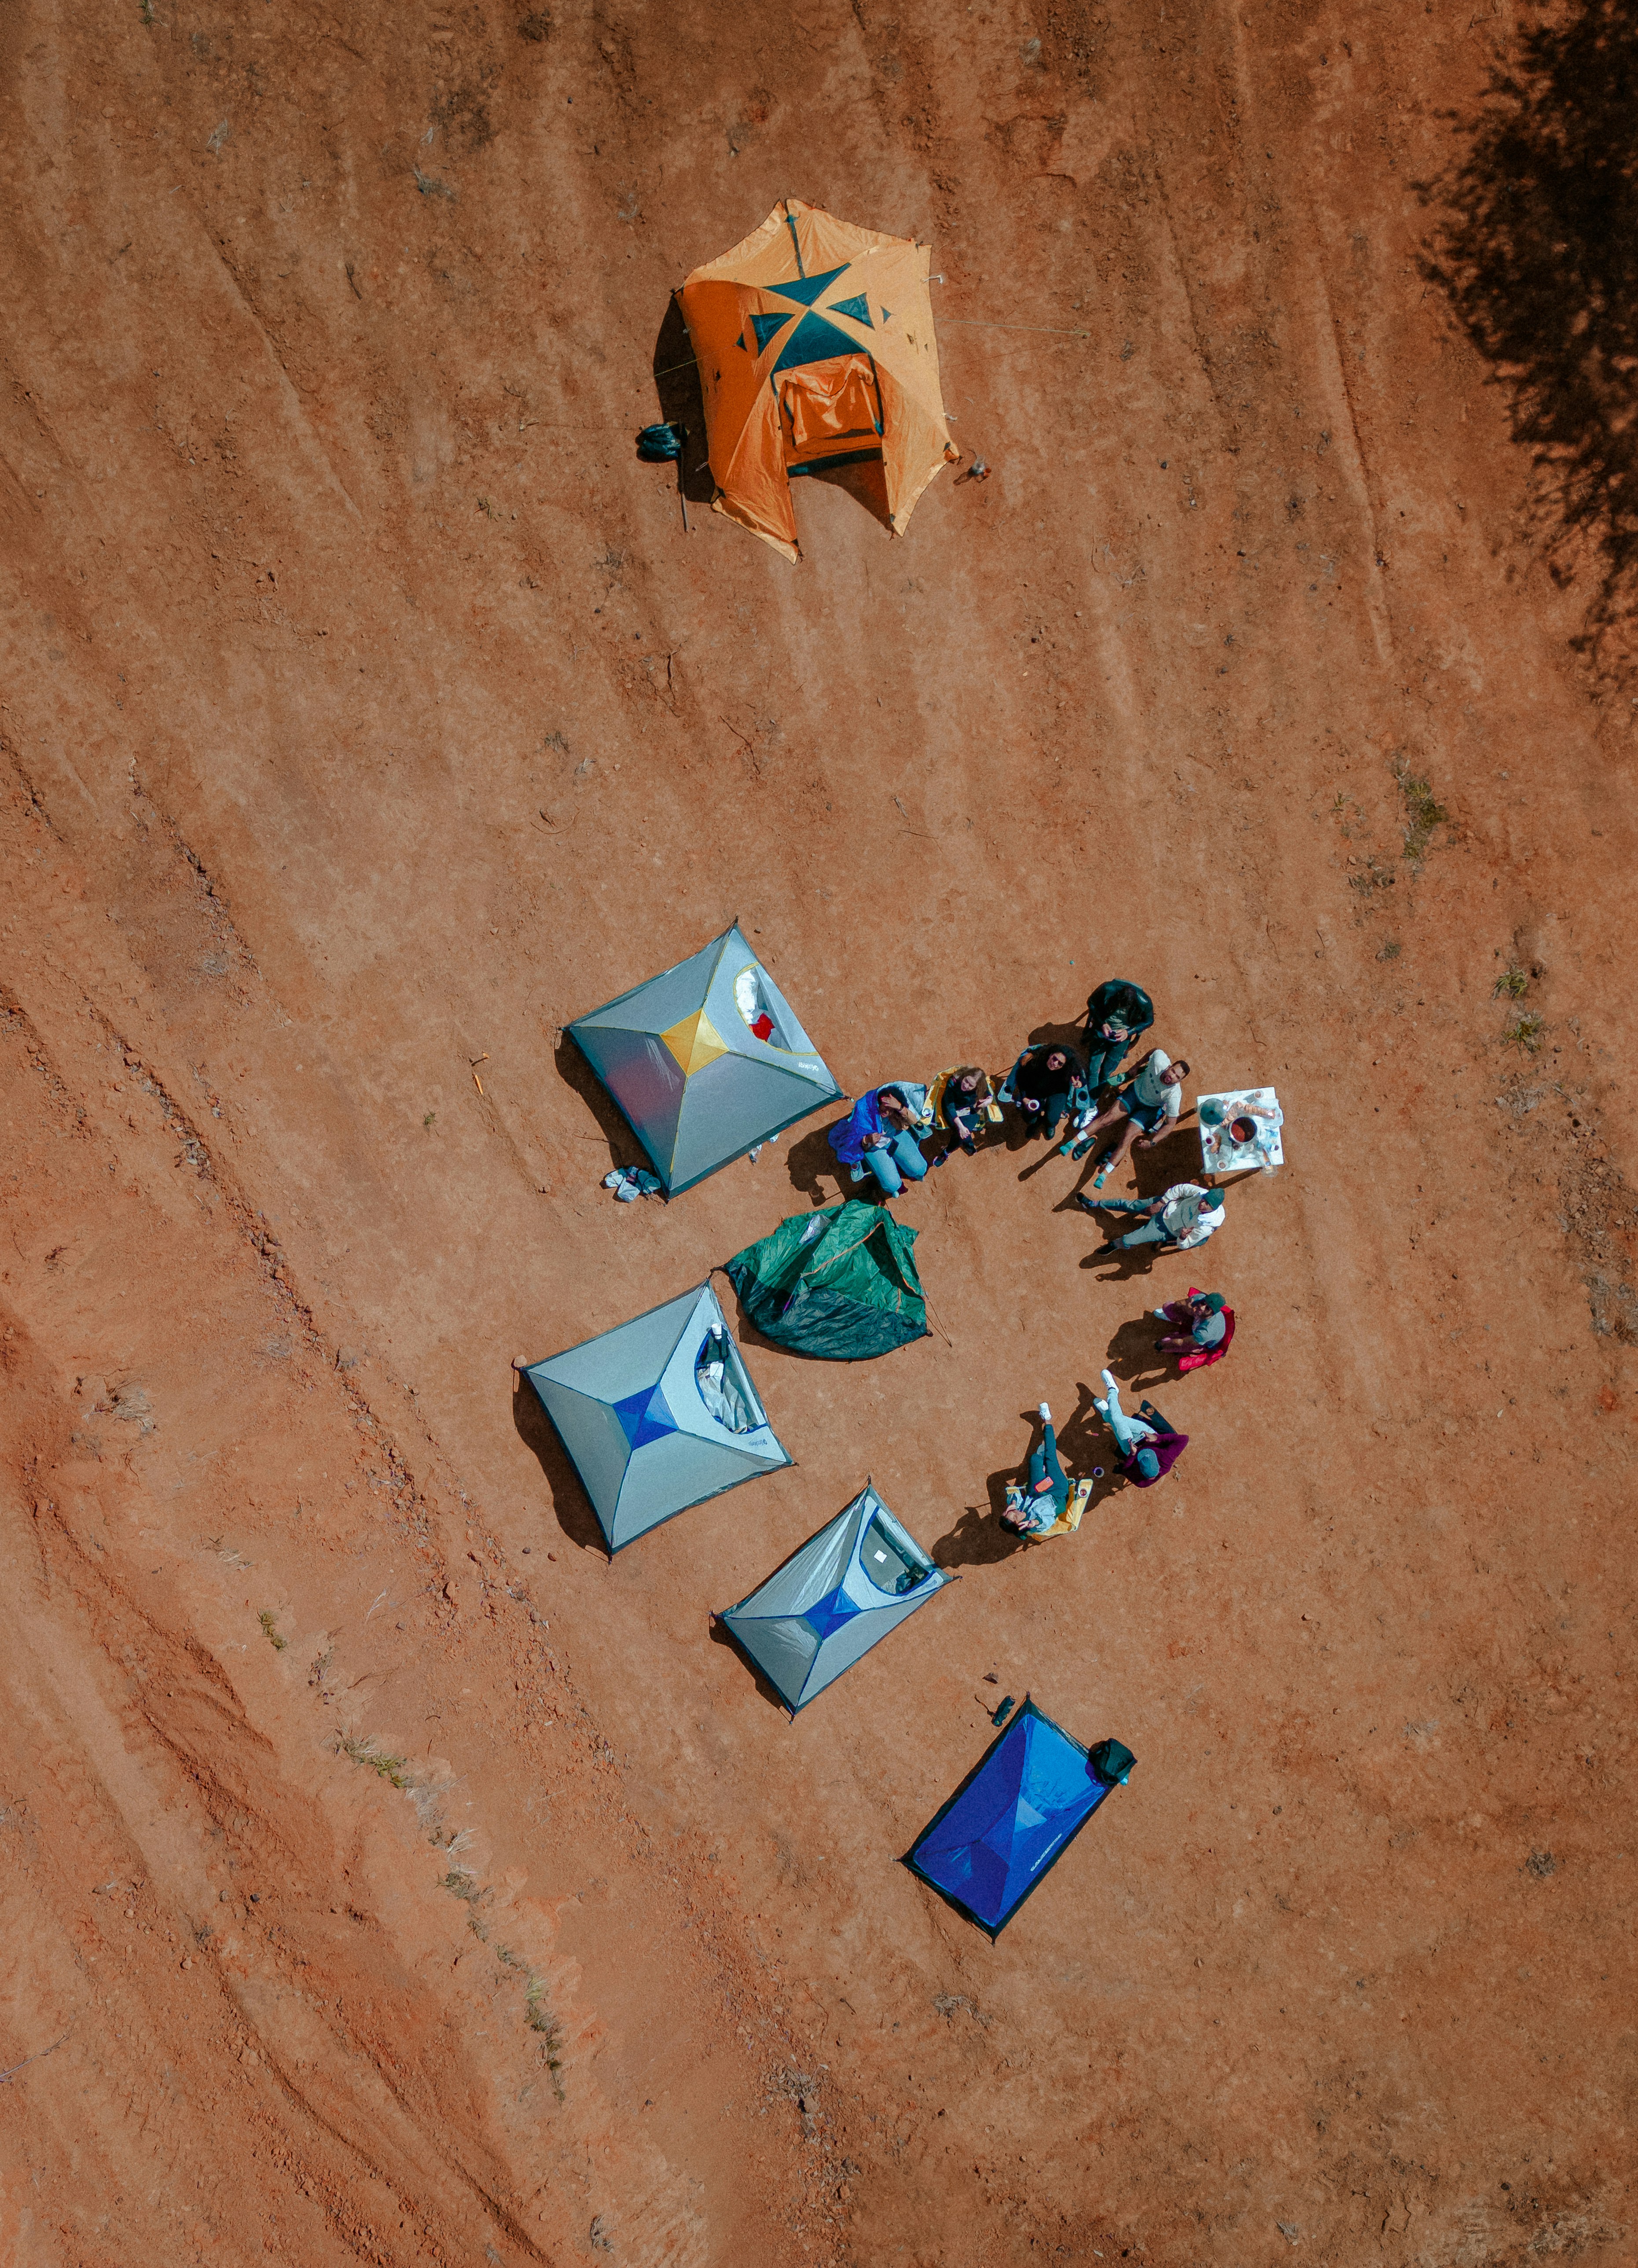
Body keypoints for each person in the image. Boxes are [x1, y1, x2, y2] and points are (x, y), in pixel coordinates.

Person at [1064, 1048, 1190, 1178]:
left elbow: (1171, 1124)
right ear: (1169, 1067)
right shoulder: (1160, 1059)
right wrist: (1137, 1065)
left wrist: (1153, 1142)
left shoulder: (1175, 1096)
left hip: (1147, 1109)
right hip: (1134, 1093)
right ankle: (1072, 1143)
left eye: (1177, 1077)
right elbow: (1153, 1052)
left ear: (1179, 1082)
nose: (1172, 1076)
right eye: (1173, 1071)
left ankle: (1104, 1176)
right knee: (1107, 1119)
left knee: (1126, 1139)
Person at [827, 1084, 932, 1198]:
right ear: (880, 1102)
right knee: (893, 1185)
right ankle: (890, 1181)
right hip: (874, 1148)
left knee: (920, 1169)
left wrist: (900, 1108)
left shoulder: (896, 1113)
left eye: (891, 1110)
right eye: (885, 1107)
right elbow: (854, 1144)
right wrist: (867, 1140)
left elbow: (912, 1121)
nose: (886, 1112)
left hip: (894, 1136)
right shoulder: (864, 1115)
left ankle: (904, 1170)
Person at [1076, 1180, 1226, 1256]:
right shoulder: (1200, 1193)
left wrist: (1181, 1236)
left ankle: (1114, 1246)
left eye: (1208, 1205)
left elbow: (1185, 1245)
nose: (1203, 1204)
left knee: (1128, 1240)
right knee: (1128, 1205)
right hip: (1166, 1207)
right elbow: (1180, 1189)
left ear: (1214, 1209)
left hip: (1164, 1230)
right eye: (1205, 1200)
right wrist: (1160, 1203)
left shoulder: (1206, 1227)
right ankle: (1093, 1204)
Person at [1094, 1369, 1188, 1486]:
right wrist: (1156, 1438)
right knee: (1117, 1419)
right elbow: (1184, 1439)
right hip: (1147, 1434)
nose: (1145, 1451)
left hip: (1130, 1449)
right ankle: (1108, 1415)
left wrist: (1133, 1455)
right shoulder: (1166, 1459)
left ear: (1142, 1472)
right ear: (1158, 1465)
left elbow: (1125, 1470)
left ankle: (1112, 1392)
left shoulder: (1141, 1482)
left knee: (1117, 1419)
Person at [1000, 1400, 1069, 1534]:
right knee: (1051, 1458)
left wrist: (1013, 1503)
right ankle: (1048, 1420)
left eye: (1011, 1513)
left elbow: (1015, 1495)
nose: (1017, 1513)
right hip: (1057, 1493)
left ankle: (1042, 1463)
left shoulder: (1016, 1509)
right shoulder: (1033, 1525)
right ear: (1020, 1526)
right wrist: (1034, 1523)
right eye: (1015, 1518)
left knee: (1035, 1459)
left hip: (1037, 1491)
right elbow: (1047, 1521)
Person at [1001, 1042, 1085, 1141]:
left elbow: (1081, 1078)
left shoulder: (1069, 1069)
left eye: (1060, 1063)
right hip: (1035, 1092)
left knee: (1052, 1119)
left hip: (1057, 1093)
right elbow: (1021, 1079)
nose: (1055, 1064)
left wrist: (1079, 1083)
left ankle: (1050, 1125)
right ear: (1050, 1055)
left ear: (1064, 1066)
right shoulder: (1036, 1063)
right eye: (1055, 1059)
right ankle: (1036, 1123)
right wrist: (1024, 1098)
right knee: (1030, 1118)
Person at [1082, 980, 1155, 1092]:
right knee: (1093, 1069)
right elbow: (1091, 1002)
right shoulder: (1108, 989)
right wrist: (1103, 1024)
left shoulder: (1144, 1002)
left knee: (1106, 1072)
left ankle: (1095, 1094)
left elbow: (1150, 1021)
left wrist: (1129, 1032)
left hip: (1122, 1036)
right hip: (1102, 1031)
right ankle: (1092, 1101)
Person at [926, 1065, 1001, 1164]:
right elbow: (949, 1106)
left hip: (970, 1110)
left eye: (971, 1085)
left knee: (964, 1132)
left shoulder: (981, 1086)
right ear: (965, 1076)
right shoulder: (953, 1082)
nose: (966, 1086)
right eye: (966, 1081)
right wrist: (961, 1126)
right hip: (951, 1109)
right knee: (961, 1132)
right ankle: (958, 1148)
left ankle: (955, 1147)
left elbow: (988, 1095)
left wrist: (989, 1100)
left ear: (977, 1086)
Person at [1153, 1289, 1234, 1369]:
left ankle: (1179, 1349)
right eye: (1203, 1303)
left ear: (1213, 1313)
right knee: (1168, 1306)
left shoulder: (1207, 1332)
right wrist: (1188, 1306)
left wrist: (1162, 1344)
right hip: (1197, 1323)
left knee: (1169, 1341)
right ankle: (1179, 1323)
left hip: (1202, 1342)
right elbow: (1178, 1304)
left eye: (1208, 1308)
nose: (1202, 1308)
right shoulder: (1201, 1298)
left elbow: (1182, 1342)